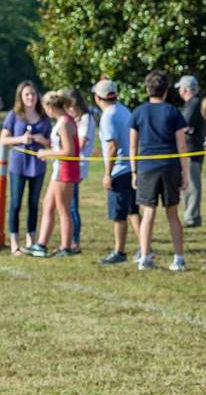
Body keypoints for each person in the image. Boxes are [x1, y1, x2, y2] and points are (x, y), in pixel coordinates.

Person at [130, 70, 190, 271]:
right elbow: (182, 145)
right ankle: (179, 258)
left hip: (147, 166)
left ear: (148, 90)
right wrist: (186, 172)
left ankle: (145, 256)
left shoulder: (138, 112)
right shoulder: (173, 112)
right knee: (172, 213)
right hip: (169, 166)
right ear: (165, 91)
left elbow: (132, 146)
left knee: (148, 213)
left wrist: (134, 171)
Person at [25, 91, 80, 258]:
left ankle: (66, 247)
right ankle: (41, 245)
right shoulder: (60, 122)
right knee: (47, 204)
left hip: (66, 170)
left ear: (49, 107)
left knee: (63, 209)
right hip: (58, 169)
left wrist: (47, 153)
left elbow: (69, 151)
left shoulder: (64, 123)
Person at [1, 81, 52, 255]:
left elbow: (50, 142)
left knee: (33, 204)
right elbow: (4, 140)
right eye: (26, 95)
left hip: (37, 166)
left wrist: (40, 139)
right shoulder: (14, 115)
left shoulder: (44, 117)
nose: (30, 97)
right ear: (21, 98)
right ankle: (14, 242)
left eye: (33, 94)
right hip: (18, 165)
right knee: (16, 203)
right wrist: (21, 139)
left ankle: (31, 240)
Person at [93, 79, 140, 264]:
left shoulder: (108, 116)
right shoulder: (123, 109)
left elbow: (112, 147)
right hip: (131, 168)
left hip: (120, 170)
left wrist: (107, 174)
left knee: (118, 214)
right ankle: (145, 247)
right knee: (133, 210)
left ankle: (119, 251)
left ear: (98, 97)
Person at [64, 87, 97, 253]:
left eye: (73, 107)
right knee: (68, 204)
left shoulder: (85, 119)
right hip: (70, 164)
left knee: (72, 205)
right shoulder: (72, 119)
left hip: (78, 165)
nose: (71, 110)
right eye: (68, 107)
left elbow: (81, 143)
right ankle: (69, 238)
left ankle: (74, 240)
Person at [176, 75, 205, 228]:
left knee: (192, 183)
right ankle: (190, 213)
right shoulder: (191, 104)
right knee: (187, 183)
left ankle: (192, 216)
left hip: (191, 148)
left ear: (185, 89)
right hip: (190, 148)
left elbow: (184, 124)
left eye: (180, 88)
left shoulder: (193, 104)